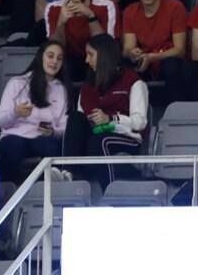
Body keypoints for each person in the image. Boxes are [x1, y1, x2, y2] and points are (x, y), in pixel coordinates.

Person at [61, 34, 148, 185]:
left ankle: (108, 192)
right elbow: (81, 120)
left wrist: (110, 119)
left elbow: (140, 122)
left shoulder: (133, 81)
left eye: (91, 54)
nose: (86, 60)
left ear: (104, 55)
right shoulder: (87, 87)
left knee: (99, 141)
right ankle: (67, 173)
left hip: (128, 137)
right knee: (75, 117)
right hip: (96, 134)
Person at [0, 41, 69, 177]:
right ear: (40, 57)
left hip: (43, 138)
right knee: (13, 147)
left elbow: (65, 128)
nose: (54, 61)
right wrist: (15, 113)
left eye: (59, 58)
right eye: (50, 56)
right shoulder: (17, 83)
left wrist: (53, 132)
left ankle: (48, 190)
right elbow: (0, 121)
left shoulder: (61, 90)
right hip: (15, 136)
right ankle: (5, 191)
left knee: (52, 147)